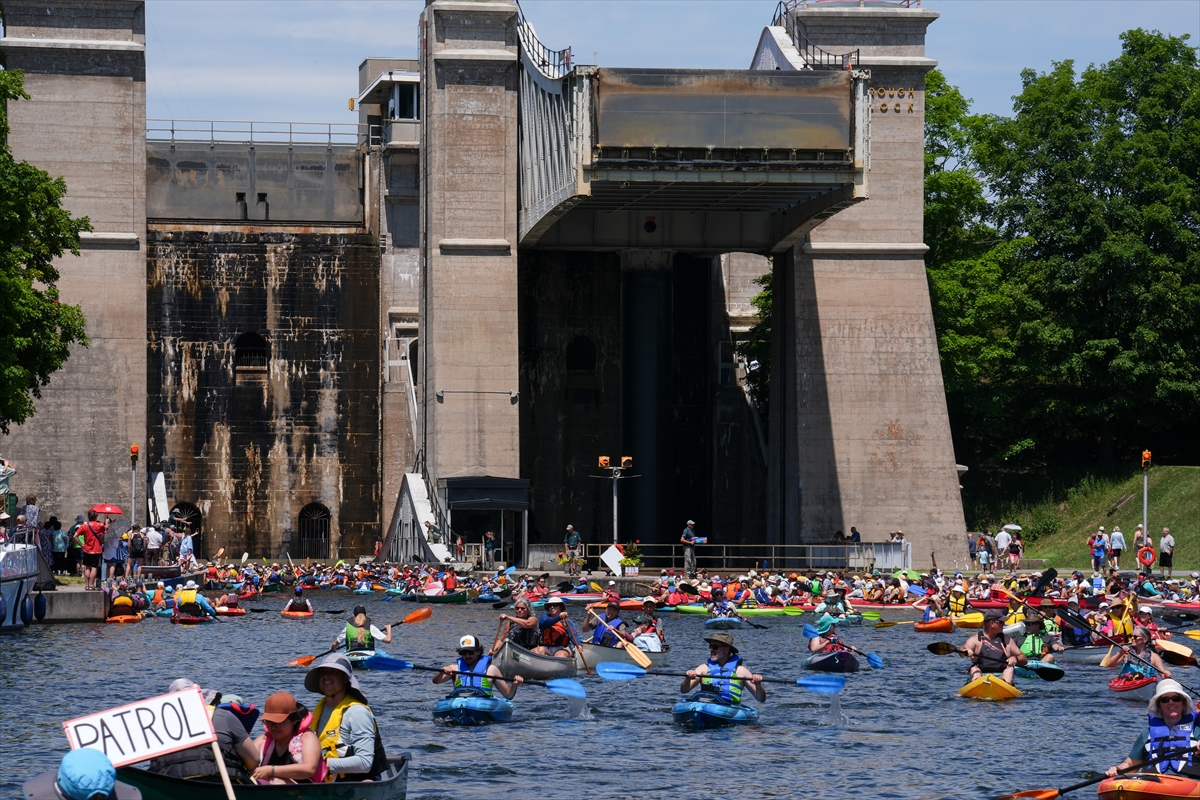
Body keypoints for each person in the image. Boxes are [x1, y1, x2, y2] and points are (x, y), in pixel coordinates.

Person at [148, 678, 259, 782]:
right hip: (221, 781)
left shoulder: (156, 726)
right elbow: (254, 760)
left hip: (173, 783)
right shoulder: (224, 716)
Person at [304, 653, 388, 781]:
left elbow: (365, 763)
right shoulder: (318, 710)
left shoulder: (357, 712)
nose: (326, 676)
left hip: (354, 782)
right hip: (323, 781)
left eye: (333, 672)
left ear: (345, 678)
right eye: (323, 672)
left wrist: (320, 764)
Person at [1106, 679, 1200, 778]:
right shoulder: (1146, 735)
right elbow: (1130, 764)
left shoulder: (1197, 732)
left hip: (1190, 784)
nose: (1171, 702)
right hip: (1153, 783)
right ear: (1159, 705)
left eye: (1176, 698)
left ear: (1183, 703)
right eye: (1165, 700)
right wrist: (1117, 769)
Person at [251, 691, 326, 784]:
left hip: (306, 790)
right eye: (268, 722)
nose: (273, 727)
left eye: (279, 722)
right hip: (271, 789)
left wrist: (271, 770)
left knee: (276, 782)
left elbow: (309, 769)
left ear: (294, 720)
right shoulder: (263, 741)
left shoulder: (308, 738)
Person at [680, 632, 766, 706]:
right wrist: (688, 679)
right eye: (710, 646)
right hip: (706, 707)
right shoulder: (703, 669)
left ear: (726, 650)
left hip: (729, 710)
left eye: (715, 647)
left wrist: (758, 685)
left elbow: (761, 699)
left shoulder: (741, 671)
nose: (711, 650)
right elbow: (684, 690)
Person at [432, 634, 523, 699]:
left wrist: (514, 685)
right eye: (464, 653)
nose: (467, 656)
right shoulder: (454, 669)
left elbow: (508, 694)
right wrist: (442, 671)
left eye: (470, 652)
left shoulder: (491, 670)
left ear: (478, 651)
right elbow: (436, 681)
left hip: (483, 705)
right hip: (460, 703)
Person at [962, 608, 1027, 683]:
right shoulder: (975, 640)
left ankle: (1004, 684)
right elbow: (963, 649)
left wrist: (1015, 658)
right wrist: (965, 651)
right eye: (1001, 622)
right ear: (992, 623)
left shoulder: (1007, 640)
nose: (1004, 624)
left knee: (1010, 669)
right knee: (974, 669)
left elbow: (1024, 659)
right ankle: (977, 683)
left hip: (1002, 678)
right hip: (981, 677)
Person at [78, 511, 106, 591]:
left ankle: (87, 585)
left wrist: (81, 545)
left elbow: (75, 536)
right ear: (96, 517)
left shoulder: (84, 525)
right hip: (96, 549)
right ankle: (91, 584)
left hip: (87, 549)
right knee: (94, 567)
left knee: (87, 567)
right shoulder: (100, 525)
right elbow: (104, 533)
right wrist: (107, 523)